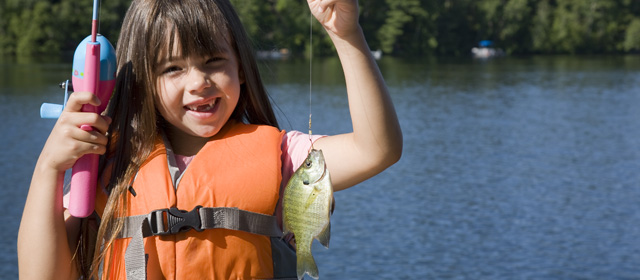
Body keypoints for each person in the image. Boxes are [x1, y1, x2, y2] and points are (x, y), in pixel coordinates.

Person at [17, 0, 402, 279]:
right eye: (172, 68)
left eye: (214, 61)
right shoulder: (108, 169)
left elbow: (377, 149)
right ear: (142, 85)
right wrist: (49, 169)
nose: (199, 82)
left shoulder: (286, 157)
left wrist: (346, 34)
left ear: (241, 67)